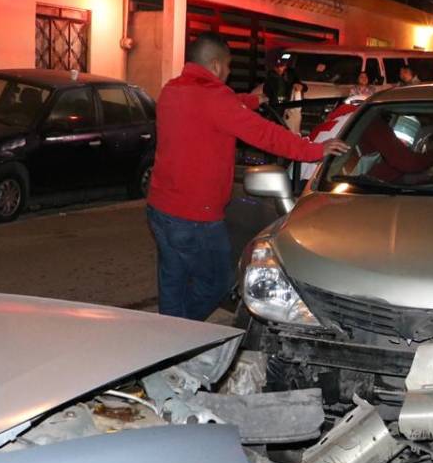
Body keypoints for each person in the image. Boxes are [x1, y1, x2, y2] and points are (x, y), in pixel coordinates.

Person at [146, 32, 349, 320]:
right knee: (216, 284)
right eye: (228, 66)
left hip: (160, 209)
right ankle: (181, 332)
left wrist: (250, 101)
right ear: (216, 66)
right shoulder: (216, 99)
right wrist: (314, 150)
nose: (228, 73)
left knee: (172, 280)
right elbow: (264, 134)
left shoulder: (172, 90)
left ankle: (166, 336)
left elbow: (219, 106)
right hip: (196, 218)